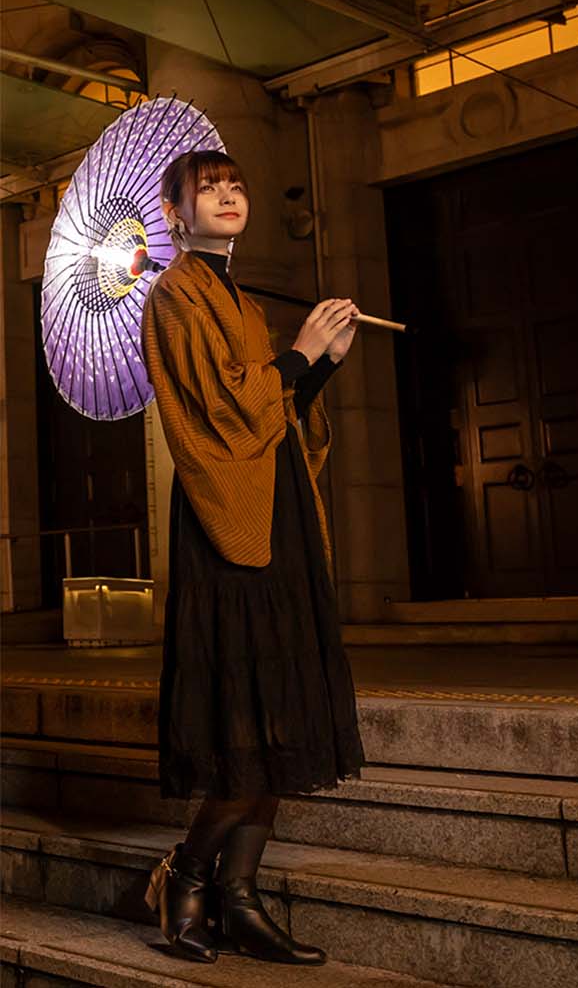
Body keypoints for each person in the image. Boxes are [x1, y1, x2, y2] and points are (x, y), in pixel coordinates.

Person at [141, 148, 365, 967]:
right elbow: (225, 409)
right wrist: (298, 354)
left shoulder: (239, 297)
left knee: (282, 720)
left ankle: (238, 897)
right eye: (210, 189)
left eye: (236, 184)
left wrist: (320, 366)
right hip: (226, 519)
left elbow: (273, 411)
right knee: (245, 720)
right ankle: (185, 874)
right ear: (176, 214)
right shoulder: (174, 295)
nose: (230, 195)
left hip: (279, 508)